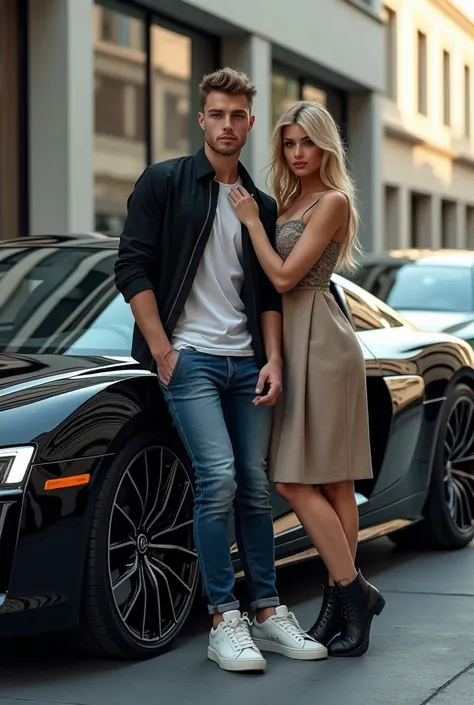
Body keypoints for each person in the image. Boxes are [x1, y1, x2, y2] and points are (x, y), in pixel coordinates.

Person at [114, 70, 327, 672]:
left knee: (256, 486)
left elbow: (265, 292)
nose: (227, 125)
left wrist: (275, 360)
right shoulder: (165, 183)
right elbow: (132, 267)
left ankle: (267, 611)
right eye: (217, 114)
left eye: (238, 115)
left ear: (250, 124)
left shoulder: (258, 204)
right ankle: (221, 619)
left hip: (246, 364)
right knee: (219, 480)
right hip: (191, 361)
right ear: (202, 119)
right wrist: (162, 350)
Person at [228, 100, 385, 658]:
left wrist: (251, 222)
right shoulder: (291, 199)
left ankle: (353, 593)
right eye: (289, 144)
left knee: (296, 481)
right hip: (289, 341)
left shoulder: (333, 201)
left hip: (320, 342)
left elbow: (286, 274)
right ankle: (343, 603)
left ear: (326, 148)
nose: (297, 154)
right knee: (331, 485)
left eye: (307, 144)